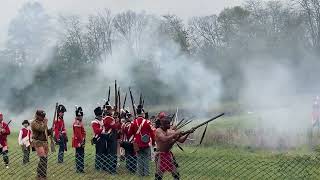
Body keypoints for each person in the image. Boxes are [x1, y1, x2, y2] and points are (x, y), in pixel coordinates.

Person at [154, 115, 194, 180]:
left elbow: (181, 140)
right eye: (168, 124)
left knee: (176, 174)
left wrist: (188, 133)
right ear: (163, 124)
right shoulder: (158, 131)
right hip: (160, 155)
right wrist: (175, 134)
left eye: (169, 123)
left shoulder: (170, 131)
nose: (169, 125)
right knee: (159, 176)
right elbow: (164, 139)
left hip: (168, 155)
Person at [128, 105, 155, 176]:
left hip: (137, 143)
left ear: (137, 114)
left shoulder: (133, 122)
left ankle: (140, 173)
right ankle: (146, 173)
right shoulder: (147, 122)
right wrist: (153, 142)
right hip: (146, 143)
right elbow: (152, 133)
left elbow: (129, 133)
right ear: (143, 113)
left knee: (139, 158)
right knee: (146, 158)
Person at [31, 110, 52, 180]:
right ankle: (40, 175)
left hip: (45, 142)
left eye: (44, 116)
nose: (43, 117)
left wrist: (50, 130)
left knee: (45, 159)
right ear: (37, 116)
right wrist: (45, 123)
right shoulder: (34, 123)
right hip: (38, 142)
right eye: (42, 116)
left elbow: (45, 132)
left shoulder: (43, 122)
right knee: (43, 158)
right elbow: (41, 129)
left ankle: (42, 175)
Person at [103, 103, 120, 174]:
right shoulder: (109, 119)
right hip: (112, 137)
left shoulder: (107, 118)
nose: (112, 111)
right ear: (108, 111)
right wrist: (117, 121)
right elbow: (115, 127)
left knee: (111, 153)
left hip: (110, 137)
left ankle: (111, 168)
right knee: (113, 153)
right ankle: (112, 169)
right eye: (111, 110)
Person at [91, 106, 106, 171]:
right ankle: (97, 166)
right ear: (97, 116)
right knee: (99, 153)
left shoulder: (102, 120)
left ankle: (103, 166)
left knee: (104, 152)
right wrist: (102, 128)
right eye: (100, 116)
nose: (101, 117)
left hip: (103, 138)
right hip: (98, 138)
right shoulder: (94, 122)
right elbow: (96, 131)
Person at [72, 106, 86, 173]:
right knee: (79, 155)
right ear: (79, 116)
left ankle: (80, 168)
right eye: (81, 116)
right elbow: (78, 134)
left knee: (81, 154)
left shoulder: (79, 122)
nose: (82, 117)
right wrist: (82, 141)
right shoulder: (77, 123)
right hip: (79, 141)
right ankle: (79, 168)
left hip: (80, 140)